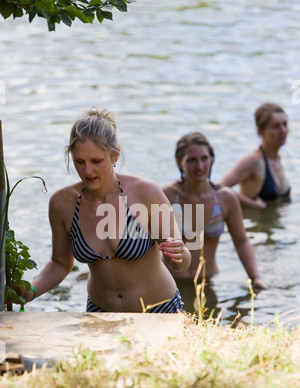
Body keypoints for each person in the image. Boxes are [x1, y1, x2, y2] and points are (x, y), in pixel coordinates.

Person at [20, 109, 191, 313]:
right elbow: (60, 263)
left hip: (159, 310)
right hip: (99, 313)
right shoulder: (62, 204)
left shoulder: (146, 194)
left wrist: (180, 254)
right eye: (79, 162)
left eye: (96, 161)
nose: (87, 171)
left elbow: (182, 264)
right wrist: (31, 291)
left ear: (115, 154)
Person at [162, 132, 266, 312]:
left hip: (207, 282)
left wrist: (255, 278)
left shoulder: (225, 198)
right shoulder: (166, 196)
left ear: (212, 160)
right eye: (192, 160)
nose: (200, 166)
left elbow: (241, 242)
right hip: (171, 283)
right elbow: (150, 243)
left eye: (204, 158)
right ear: (179, 163)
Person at [220, 103, 291, 208]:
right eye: (275, 127)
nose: (283, 131)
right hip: (254, 223)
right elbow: (219, 188)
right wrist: (252, 204)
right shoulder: (254, 160)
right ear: (260, 131)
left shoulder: (276, 158)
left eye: (284, 124)